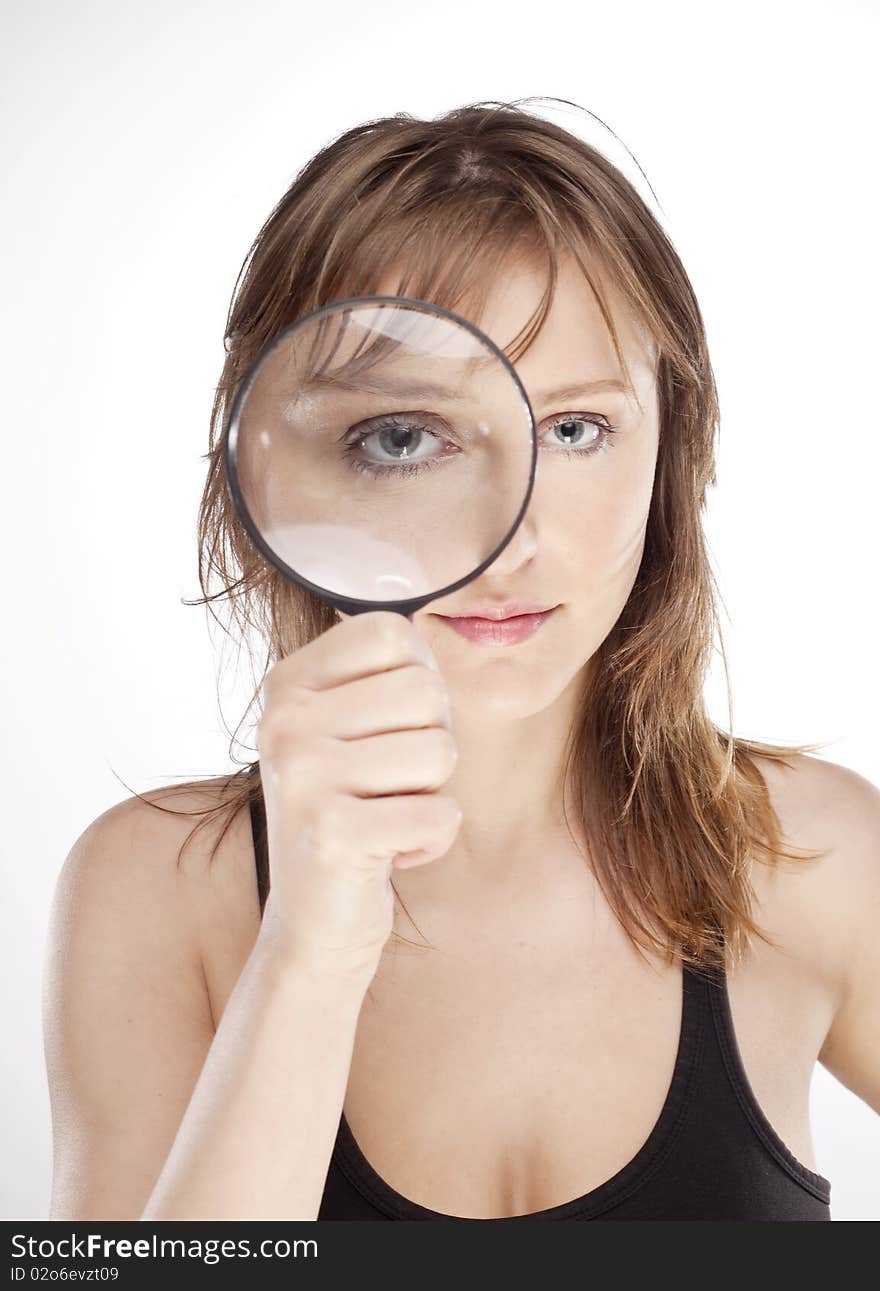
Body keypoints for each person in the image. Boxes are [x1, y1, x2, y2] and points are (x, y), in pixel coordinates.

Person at [43, 98, 879, 1222]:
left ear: (669, 451)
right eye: (405, 437)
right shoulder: (153, 893)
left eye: (574, 430)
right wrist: (308, 956)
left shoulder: (810, 860)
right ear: (278, 473)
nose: (515, 532)